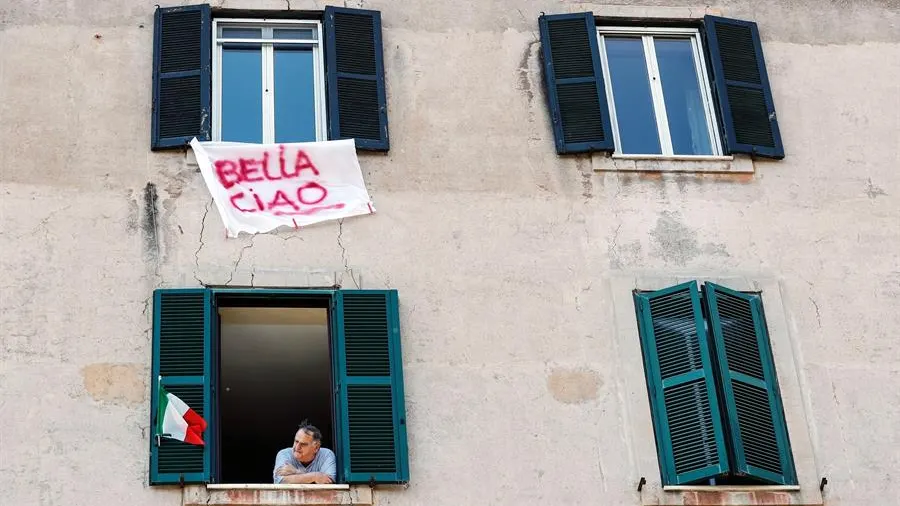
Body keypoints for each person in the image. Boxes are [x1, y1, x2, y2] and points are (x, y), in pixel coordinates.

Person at [273, 423, 337, 484]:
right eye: (296, 441)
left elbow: (328, 482)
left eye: (303, 444)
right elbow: (281, 481)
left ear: (316, 448)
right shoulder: (284, 454)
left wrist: (296, 472)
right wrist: (315, 476)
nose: (297, 447)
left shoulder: (327, 455)